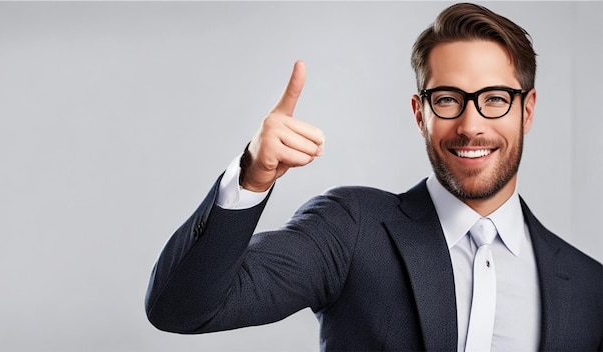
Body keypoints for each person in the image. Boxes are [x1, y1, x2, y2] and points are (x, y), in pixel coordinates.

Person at [145, 3, 602, 351]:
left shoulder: (589, 287)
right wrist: (252, 176)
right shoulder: (350, 227)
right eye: (447, 99)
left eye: (496, 98)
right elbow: (182, 309)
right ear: (419, 113)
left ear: (528, 110)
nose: (470, 124)